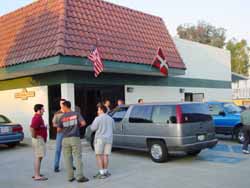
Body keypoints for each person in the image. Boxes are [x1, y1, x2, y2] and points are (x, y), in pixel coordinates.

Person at [58, 101, 89, 183]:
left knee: (67, 158)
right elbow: (83, 123)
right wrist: (76, 126)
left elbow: (58, 129)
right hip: (75, 138)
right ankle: (79, 177)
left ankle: (70, 177)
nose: (62, 108)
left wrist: (65, 129)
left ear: (66, 106)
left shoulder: (62, 117)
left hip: (65, 139)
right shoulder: (76, 114)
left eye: (62, 107)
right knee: (77, 157)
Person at [91, 103, 114, 179]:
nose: (97, 111)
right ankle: (106, 171)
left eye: (98, 109)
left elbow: (92, 128)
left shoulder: (97, 118)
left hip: (100, 139)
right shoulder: (111, 118)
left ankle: (101, 173)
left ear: (101, 110)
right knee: (105, 155)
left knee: (98, 155)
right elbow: (114, 128)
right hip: (109, 139)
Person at [53, 99, 75, 172]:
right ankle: (56, 166)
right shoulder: (57, 113)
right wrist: (61, 125)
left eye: (63, 103)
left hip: (68, 133)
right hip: (60, 134)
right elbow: (54, 124)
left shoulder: (70, 112)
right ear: (60, 104)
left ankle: (71, 165)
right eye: (61, 103)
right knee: (58, 150)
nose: (62, 104)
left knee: (70, 149)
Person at [30, 104, 48, 181]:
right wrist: (35, 136)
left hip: (39, 139)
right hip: (38, 140)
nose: (44, 110)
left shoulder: (39, 117)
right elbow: (32, 128)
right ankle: (37, 176)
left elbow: (37, 128)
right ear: (39, 110)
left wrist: (45, 128)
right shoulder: (37, 117)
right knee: (38, 157)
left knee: (39, 156)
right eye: (43, 109)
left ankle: (37, 173)